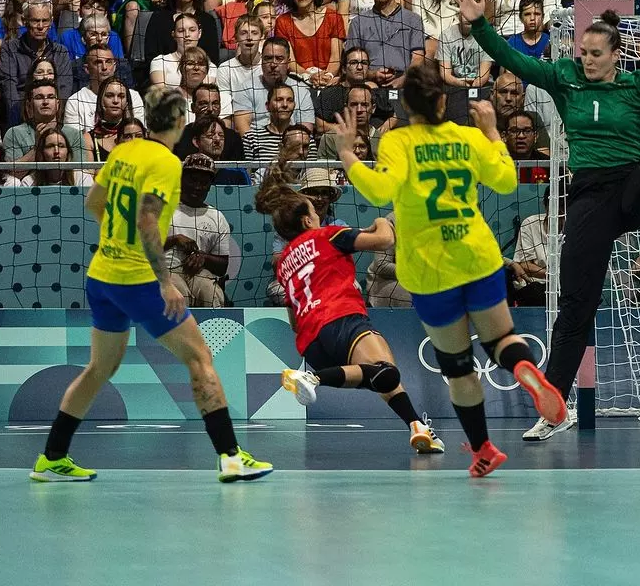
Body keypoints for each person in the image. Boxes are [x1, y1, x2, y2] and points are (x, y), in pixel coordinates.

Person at [453, 0, 640, 440]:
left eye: (596, 53)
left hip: (632, 187)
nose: (587, 58)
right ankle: (555, 407)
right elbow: (515, 59)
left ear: (616, 54)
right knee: (576, 305)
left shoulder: (637, 85)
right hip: (589, 201)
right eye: (583, 51)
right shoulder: (565, 78)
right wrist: (480, 24)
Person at [335, 60, 567, 477]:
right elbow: (505, 182)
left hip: (429, 270)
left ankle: (483, 450)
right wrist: (494, 131)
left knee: (458, 366)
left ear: (405, 106)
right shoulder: (468, 137)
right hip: (477, 255)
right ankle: (523, 367)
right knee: (501, 339)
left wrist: (348, 152)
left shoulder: (397, 143)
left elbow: (377, 191)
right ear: (444, 100)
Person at [30, 86, 273, 483]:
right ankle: (230, 456)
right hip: (138, 279)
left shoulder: (124, 152)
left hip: (101, 276)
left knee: (99, 367)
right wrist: (164, 282)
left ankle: (52, 458)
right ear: (180, 122)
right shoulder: (164, 162)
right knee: (199, 358)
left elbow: (93, 203)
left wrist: (115, 240)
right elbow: (146, 220)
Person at [254, 166, 446, 455]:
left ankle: (417, 427)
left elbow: (293, 320)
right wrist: (382, 221)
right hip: (341, 317)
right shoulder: (329, 235)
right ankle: (312, 379)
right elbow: (385, 241)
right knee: (387, 372)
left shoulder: (284, 264)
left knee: (380, 375)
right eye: (314, 212)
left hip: (312, 344)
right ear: (307, 220)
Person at [164, 153, 230, 307]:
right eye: (192, 180)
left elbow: (223, 266)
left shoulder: (217, 217)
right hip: (165, 270)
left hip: (200, 273)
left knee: (211, 293)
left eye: (204, 182)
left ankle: (214, 330)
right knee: (177, 294)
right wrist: (174, 239)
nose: (197, 187)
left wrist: (203, 257)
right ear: (181, 179)